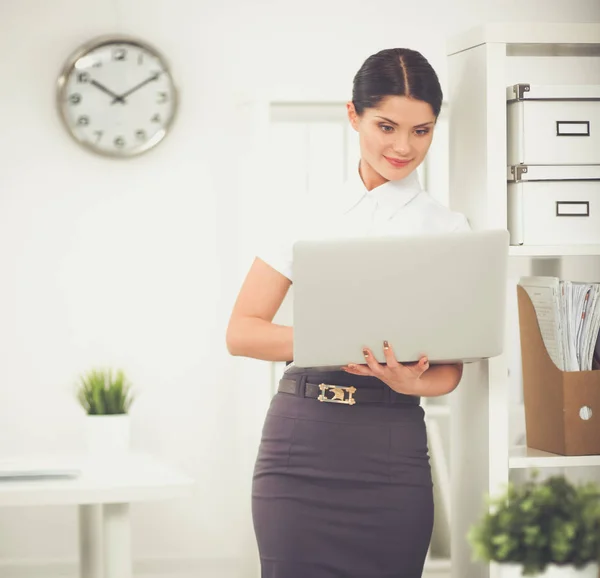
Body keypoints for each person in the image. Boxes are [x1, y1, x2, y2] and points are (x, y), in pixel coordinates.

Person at [226, 47, 470, 578]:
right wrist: (336, 339)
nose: (403, 146)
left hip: (390, 449)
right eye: (386, 126)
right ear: (353, 115)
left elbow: (451, 372)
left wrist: (410, 382)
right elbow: (242, 333)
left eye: (421, 131)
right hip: (300, 447)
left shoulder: (449, 231)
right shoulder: (303, 214)